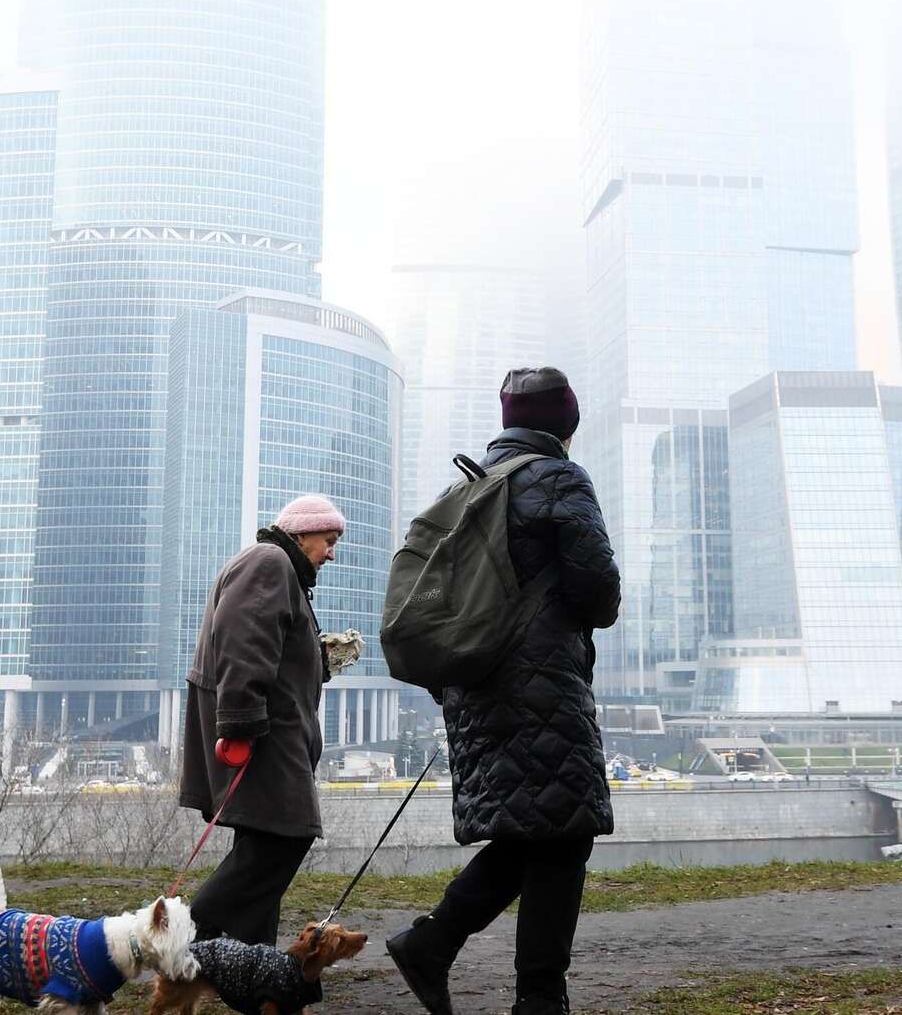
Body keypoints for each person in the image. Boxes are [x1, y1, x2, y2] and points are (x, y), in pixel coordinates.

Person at [386, 367, 622, 1015]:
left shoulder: (467, 488)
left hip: (475, 687)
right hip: (540, 687)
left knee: (537, 828)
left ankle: (433, 945)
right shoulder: (559, 478)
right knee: (563, 828)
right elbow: (597, 593)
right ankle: (538, 997)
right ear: (564, 422)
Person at [179, 494, 346, 947]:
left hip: (268, 731)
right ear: (302, 533)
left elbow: (267, 644)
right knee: (286, 836)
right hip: (262, 734)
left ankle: (250, 965)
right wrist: (239, 722)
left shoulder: (281, 570)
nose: (331, 552)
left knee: (262, 839)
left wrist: (320, 659)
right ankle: (193, 937)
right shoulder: (271, 562)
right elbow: (242, 642)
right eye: (328, 541)